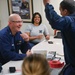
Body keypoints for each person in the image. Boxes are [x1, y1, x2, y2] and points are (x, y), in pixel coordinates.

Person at [43, 0, 75, 75]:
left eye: (60, 10)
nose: (60, 13)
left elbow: (56, 21)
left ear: (65, 11)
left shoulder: (69, 20)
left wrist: (47, 5)